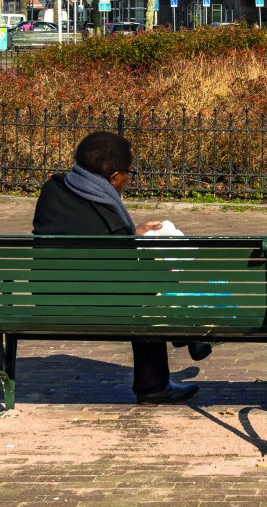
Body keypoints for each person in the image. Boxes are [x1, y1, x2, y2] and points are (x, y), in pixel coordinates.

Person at [32, 130, 202, 405]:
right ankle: (158, 378)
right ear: (113, 178)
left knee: (142, 284)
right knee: (150, 286)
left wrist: (132, 233)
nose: (128, 180)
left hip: (49, 299)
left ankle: (187, 338)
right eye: (128, 174)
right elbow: (125, 272)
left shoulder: (53, 189)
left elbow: (87, 236)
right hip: (99, 305)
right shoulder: (109, 211)